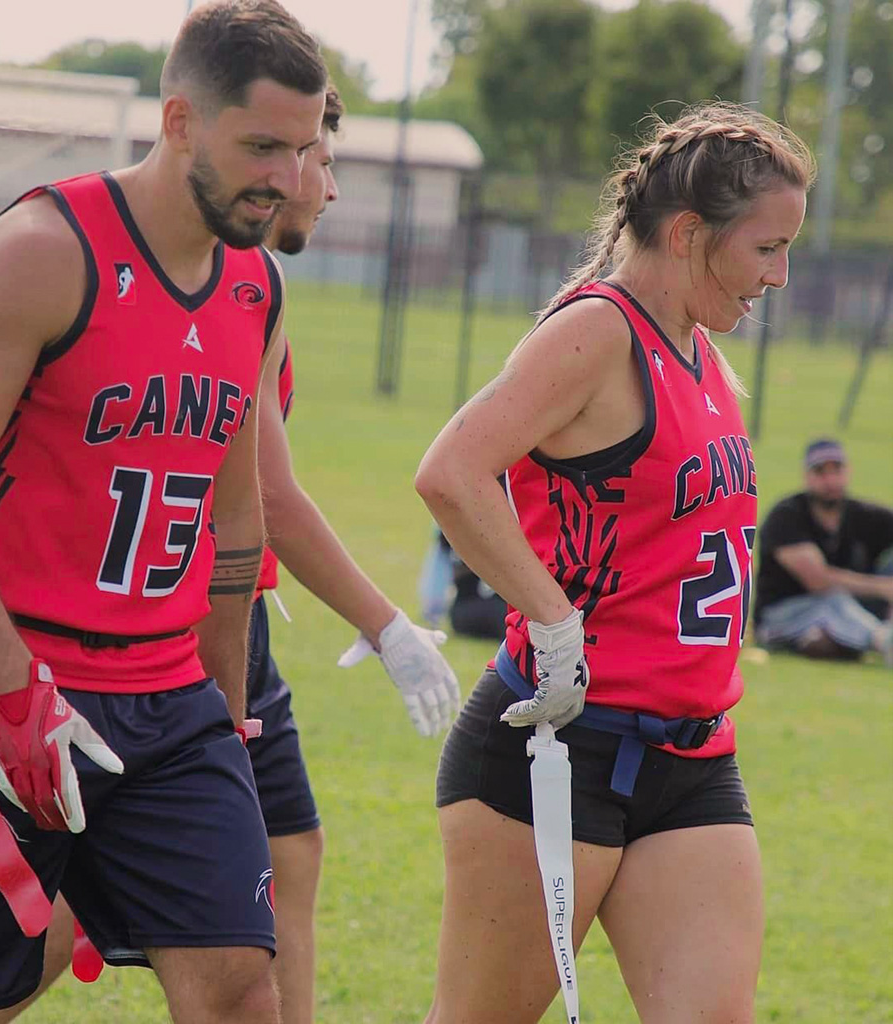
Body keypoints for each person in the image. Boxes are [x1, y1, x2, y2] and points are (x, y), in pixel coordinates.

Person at [0, 3, 329, 1022]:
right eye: (261, 146)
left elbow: (236, 520)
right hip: (0, 685)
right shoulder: (44, 248)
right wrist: (9, 684)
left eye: (302, 150)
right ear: (178, 121)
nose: (288, 180)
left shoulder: (255, 282)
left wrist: (227, 708)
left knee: (241, 989)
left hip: (169, 703)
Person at [0, 83, 458, 1024]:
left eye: (316, 156)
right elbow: (268, 498)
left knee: (282, 868)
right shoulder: (119, 262)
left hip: (214, 631)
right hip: (148, 631)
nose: (321, 184)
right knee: (67, 905)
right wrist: (386, 621)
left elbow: (248, 504)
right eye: (319, 160)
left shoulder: (251, 290)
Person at [414, 101, 814, 1024]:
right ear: (687, 234)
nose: (780, 275)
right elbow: (452, 473)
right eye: (765, 247)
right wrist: (552, 622)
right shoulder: (597, 331)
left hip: (694, 752)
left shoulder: (698, 345)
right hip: (563, 745)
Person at [754, 437, 893, 664]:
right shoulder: (786, 516)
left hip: (849, 608)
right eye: (820, 472)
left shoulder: (864, 515)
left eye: (836, 470)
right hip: (784, 614)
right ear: (807, 476)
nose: (830, 480)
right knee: (832, 603)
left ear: (847, 471)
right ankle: (882, 640)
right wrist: (884, 588)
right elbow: (818, 581)